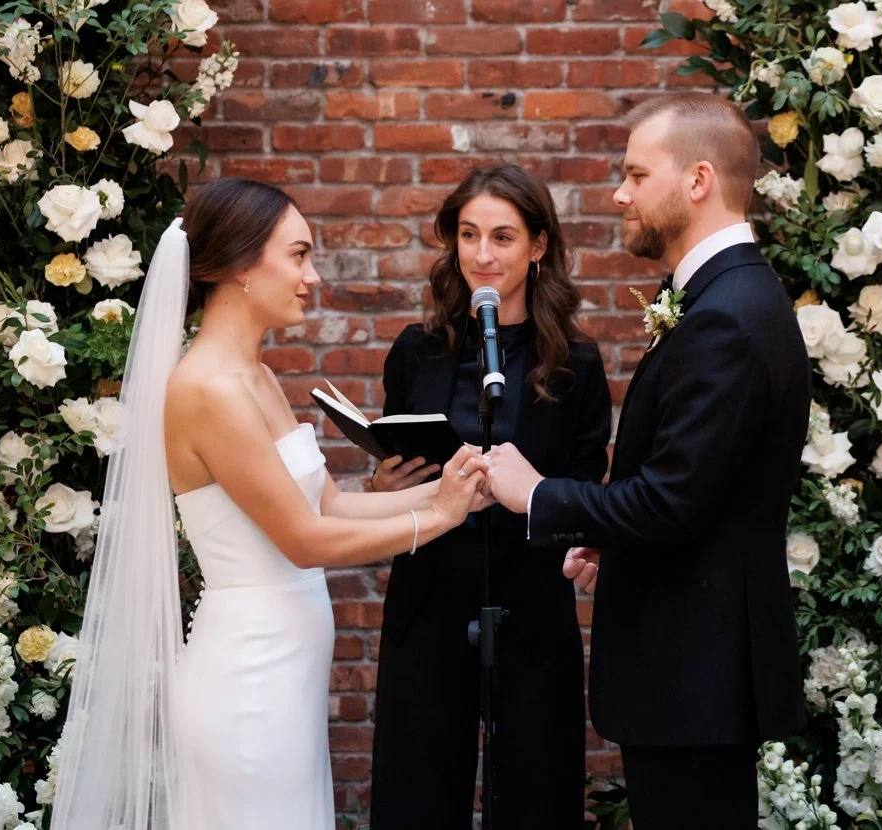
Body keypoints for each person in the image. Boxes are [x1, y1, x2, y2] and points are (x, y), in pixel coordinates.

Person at [51, 178, 491, 828]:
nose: (312, 276)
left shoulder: (254, 376)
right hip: (248, 686)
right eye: (298, 255)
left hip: (284, 681)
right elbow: (304, 540)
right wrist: (440, 517)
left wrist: (450, 484)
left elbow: (329, 503)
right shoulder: (208, 390)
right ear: (239, 265)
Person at [478, 93, 810, 826]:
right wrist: (608, 537)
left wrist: (539, 495)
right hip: (691, 674)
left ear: (697, 181)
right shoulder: (721, 299)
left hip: (696, 674)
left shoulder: (727, 316)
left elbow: (670, 501)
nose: (619, 193)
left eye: (634, 173)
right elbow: (699, 490)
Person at [366, 163, 611, 828]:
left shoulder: (577, 363)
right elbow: (395, 468)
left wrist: (532, 490)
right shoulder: (417, 350)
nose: (481, 254)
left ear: (537, 247)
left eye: (502, 237)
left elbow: (588, 492)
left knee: (535, 787)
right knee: (418, 786)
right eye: (468, 235)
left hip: (530, 598)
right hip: (429, 592)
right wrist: (386, 486)